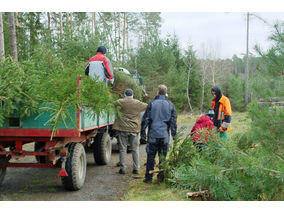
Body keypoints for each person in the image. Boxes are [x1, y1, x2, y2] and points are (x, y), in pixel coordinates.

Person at [141, 85, 177, 183]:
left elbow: (145, 120)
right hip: (164, 135)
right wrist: (174, 135)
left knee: (151, 156)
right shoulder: (170, 105)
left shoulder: (152, 103)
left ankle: (148, 178)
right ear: (166, 93)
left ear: (158, 92)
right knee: (163, 158)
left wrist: (142, 133)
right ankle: (161, 177)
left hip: (153, 134)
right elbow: (173, 122)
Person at [113, 88, 148, 175]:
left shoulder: (119, 102)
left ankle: (123, 169)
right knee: (135, 149)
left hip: (122, 129)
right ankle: (136, 169)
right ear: (132, 95)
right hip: (134, 129)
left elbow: (110, 105)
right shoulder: (137, 103)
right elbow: (148, 106)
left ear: (124, 94)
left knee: (122, 149)